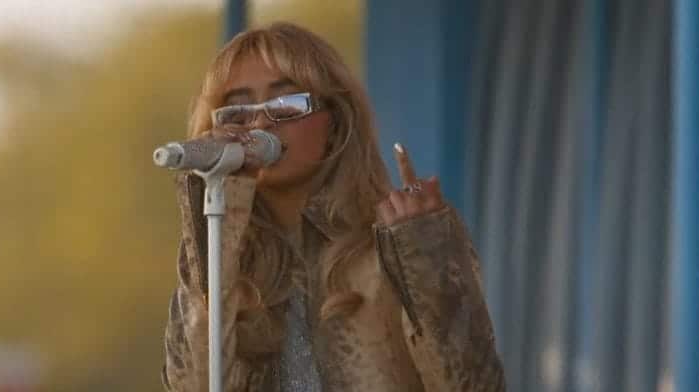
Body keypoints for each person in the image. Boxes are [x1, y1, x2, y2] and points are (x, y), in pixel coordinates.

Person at [161, 22, 505, 392]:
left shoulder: (397, 246)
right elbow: (191, 386)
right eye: (237, 112)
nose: (259, 123)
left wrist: (424, 252)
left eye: (286, 104)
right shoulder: (218, 251)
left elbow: (474, 385)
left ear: (336, 123)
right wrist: (219, 222)